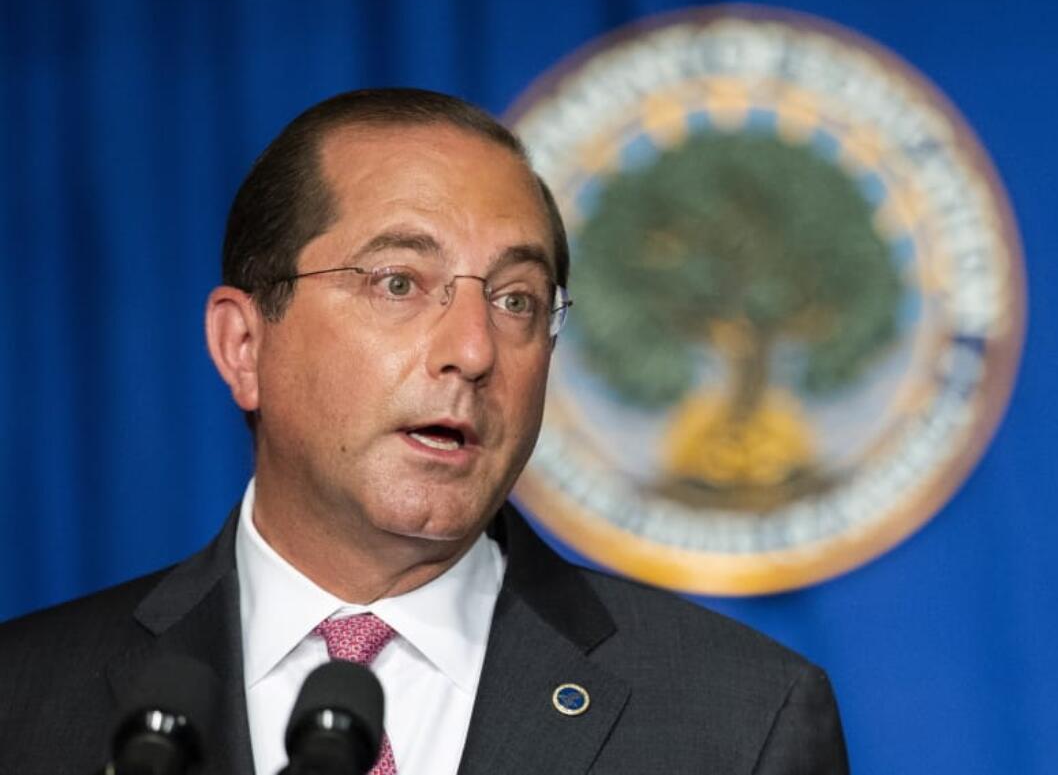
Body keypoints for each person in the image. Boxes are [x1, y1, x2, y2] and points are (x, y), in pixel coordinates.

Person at [0, 89, 850, 774]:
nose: (475, 350)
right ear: (244, 344)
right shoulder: (26, 700)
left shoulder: (739, 722)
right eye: (400, 283)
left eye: (517, 300)